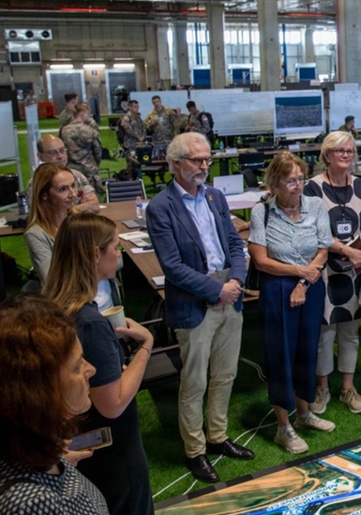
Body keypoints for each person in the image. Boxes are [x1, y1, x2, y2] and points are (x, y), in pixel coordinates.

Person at [146, 132, 255, 484]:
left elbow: (235, 243)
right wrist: (217, 290)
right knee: (194, 381)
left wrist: (235, 281)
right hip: (195, 301)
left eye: (207, 159)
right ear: (175, 164)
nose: (204, 165)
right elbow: (173, 267)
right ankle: (195, 450)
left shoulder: (214, 196)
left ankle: (218, 437)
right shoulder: (160, 207)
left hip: (230, 294)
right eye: (197, 160)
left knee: (225, 374)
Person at [43, 213, 154, 514]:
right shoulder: (90, 322)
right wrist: (146, 346)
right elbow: (112, 404)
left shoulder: (55, 306)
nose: (119, 253)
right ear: (95, 254)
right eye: (115, 247)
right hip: (114, 453)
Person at [249, 152, 334, 454]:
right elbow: (261, 261)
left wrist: (304, 283)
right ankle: (283, 427)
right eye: (290, 181)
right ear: (274, 184)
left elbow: (323, 249)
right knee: (281, 355)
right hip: (277, 288)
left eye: (301, 179)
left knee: (307, 351)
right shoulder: (261, 212)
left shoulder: (315, 205)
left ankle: (304, 412)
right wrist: (299, 273)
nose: (298, 186)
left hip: (310, 286)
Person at [0, 294, 107, 514]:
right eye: (77, 366)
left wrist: (59, 460)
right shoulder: (31, 504)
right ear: (38, 392)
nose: (91, 370)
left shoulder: (37, 454)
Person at [305, 132, 361, 415]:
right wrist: (347, 251)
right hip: (324, 272)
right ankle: (322, 387)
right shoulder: (312, 188)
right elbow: (313, 230)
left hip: (355, 272)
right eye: (340, 151)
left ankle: (348, 388)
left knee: (350, 333)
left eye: (350, 150)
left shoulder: (360, 185)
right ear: (326, 155)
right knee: (324, 335)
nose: (347, 155)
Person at [24, 164, 119, 313]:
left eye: (72, 186)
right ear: (44, 195)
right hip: (75, 307)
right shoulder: (36, 234)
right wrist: (97, 262)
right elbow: (52, 280)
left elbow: (116, 261)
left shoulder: (81, 220)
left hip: (105, 297)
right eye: (63, 189)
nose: (73, 194)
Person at [27, 134, 100, 213]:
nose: (60, 156)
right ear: (40, 156)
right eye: (53, 153)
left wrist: (71, 210)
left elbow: (94, 206)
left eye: (62, 150)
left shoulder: (77, 175)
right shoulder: (37, 183)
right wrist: (82, 208)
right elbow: (44, 214)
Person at [61, 103, 103, 192]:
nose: (88, 116)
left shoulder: (64, 130)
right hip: (89, 167)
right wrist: (96, 163)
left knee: (73, 192)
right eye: (88, 114)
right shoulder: (89, 130)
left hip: (71, 167)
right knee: (91, 194)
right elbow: (98, 149)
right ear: (82, 114)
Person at [119, 100, 147, 180]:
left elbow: (143, 127)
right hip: (130, 144)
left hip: (139, 144)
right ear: (130, 107)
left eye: (137, 107)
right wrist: (138, 137)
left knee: (138, 163)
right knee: (131, 164)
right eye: (135, 107)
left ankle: (138, 179)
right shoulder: (126, 118)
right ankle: (131, 179)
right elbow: (128, 129)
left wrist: (143, 136)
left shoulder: (138, 117)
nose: (137, 108)